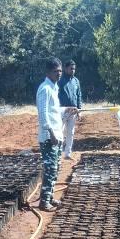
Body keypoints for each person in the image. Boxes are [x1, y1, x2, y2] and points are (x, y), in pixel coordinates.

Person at [36, 56, 64, 212]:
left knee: (56, 168)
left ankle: (50, 196)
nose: (59, 74)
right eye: (55, 71)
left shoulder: (54, 88)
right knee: (50, 168)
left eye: (60, 71)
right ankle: (44, 202)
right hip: (49, 137)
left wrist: (68, 110)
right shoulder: (45, 89)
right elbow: (43, 114)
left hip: (57, 136)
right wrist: (51, 133)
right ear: (48, 72)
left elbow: (54, 111)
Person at [58, 59, 82, 160]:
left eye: (74, 69)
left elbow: (79, 95)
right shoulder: (60, 81)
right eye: (71, 68)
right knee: (60, 132)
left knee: (70, 133)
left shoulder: (76, 81)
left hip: (73, 111)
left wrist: (79, 110)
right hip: (63, 111)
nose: (73, 70)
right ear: (65, 68)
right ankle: (58, 153)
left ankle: (67, 154)